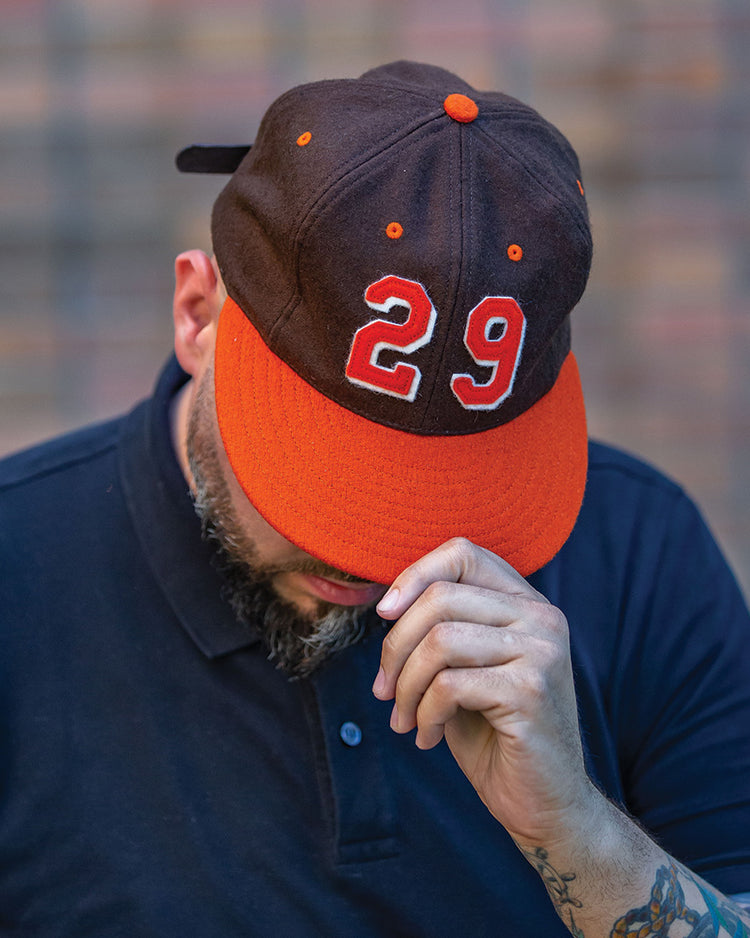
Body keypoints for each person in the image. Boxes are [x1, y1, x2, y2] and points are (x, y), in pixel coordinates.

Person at [0, 61, 748, 938]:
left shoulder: (640, 548)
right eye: (330, 471)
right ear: (198, 313)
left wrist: (576, 831)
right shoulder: (21, 575)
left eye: (453, 482)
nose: (379, 553)